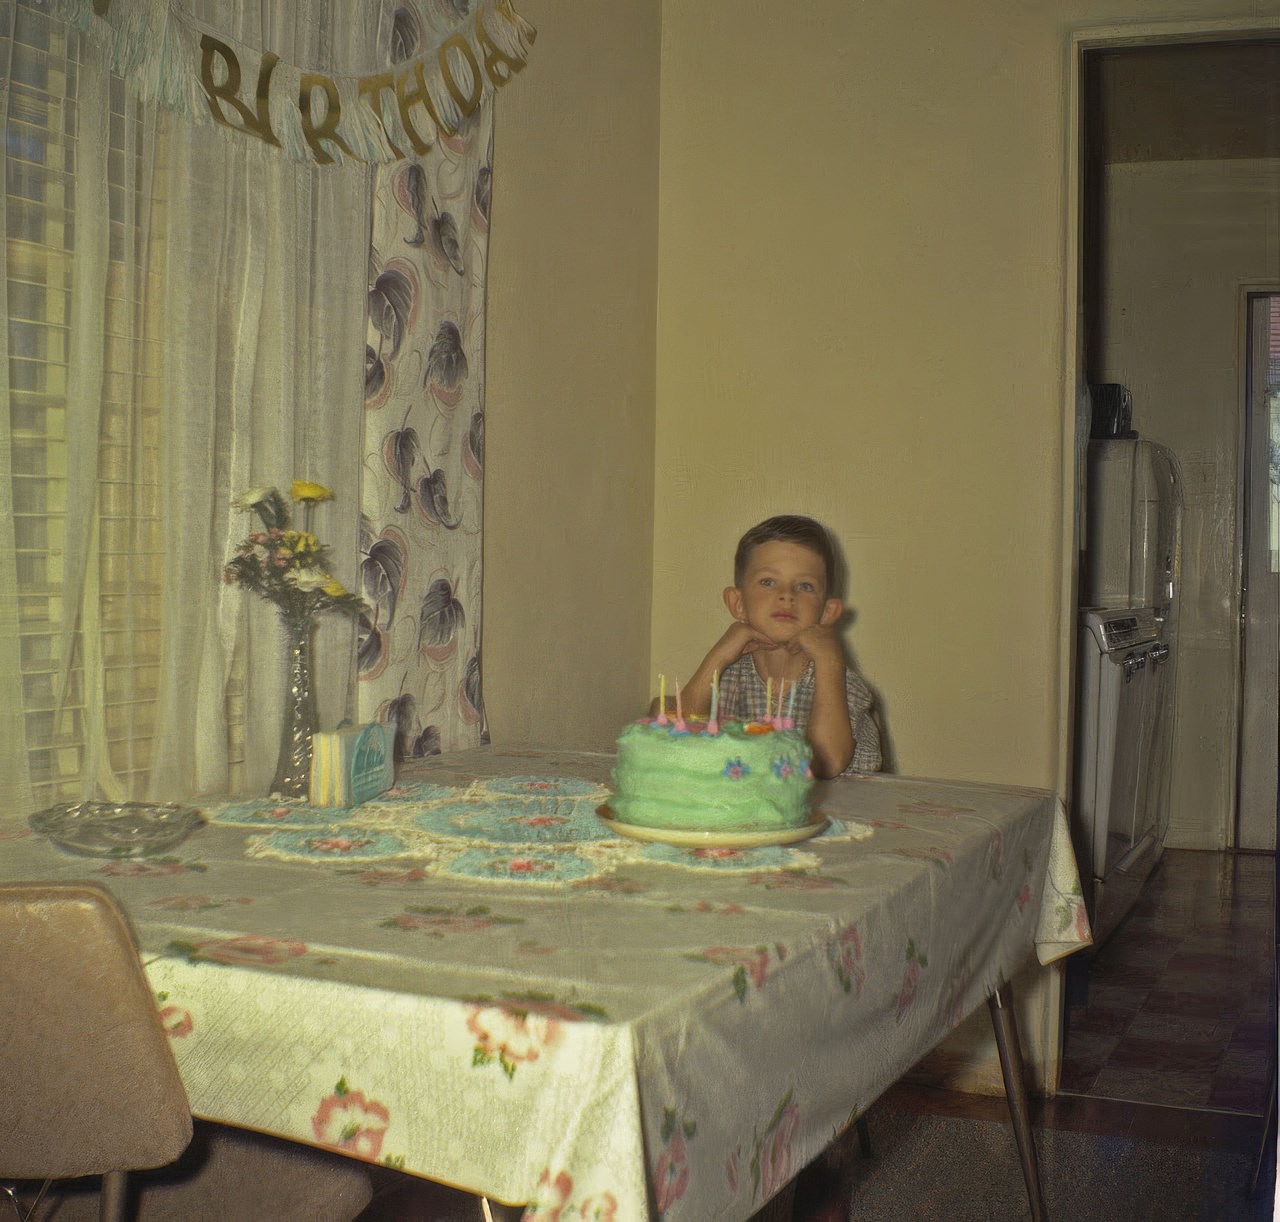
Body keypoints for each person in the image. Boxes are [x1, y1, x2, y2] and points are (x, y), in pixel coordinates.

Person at [678, 514, 881, 779]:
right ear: (738, 603)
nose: (787, 595)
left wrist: (830, 660)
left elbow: (827, 763)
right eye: (768, 582)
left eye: (805, 586)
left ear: (827, 612)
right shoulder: (728, 678)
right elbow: (676, 738)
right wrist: (717, 656)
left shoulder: (843, 686)